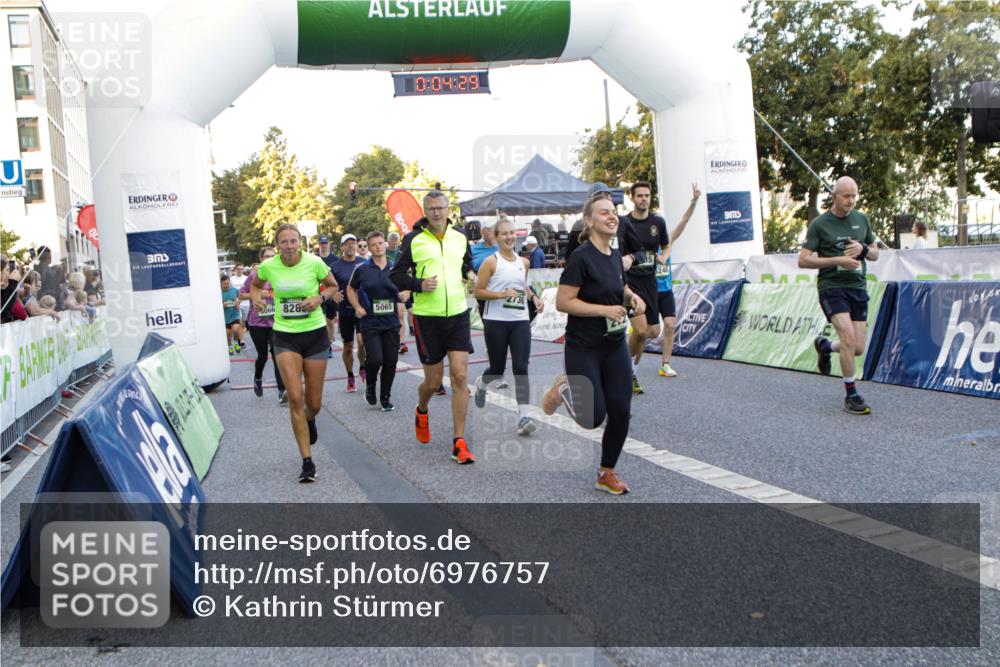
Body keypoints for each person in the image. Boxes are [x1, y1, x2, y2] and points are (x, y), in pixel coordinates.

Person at [541, 195, 646, 495]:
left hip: (613, 346)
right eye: (604, 213)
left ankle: (606, 472)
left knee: (622, 411)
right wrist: (603, 310)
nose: (613, 217)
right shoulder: (581, 257)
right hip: (583, 346)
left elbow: (619, 286)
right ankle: (563, 387)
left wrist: (631, 297)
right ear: (589, 221)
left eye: (614, 212)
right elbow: (563, 302)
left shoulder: (614, 254)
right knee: (593, 417)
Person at [390, 190, 478, 464]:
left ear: (447, 208)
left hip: (458, 314)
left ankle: (459, 442)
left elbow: (465, 264)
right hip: (428, 317)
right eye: (431, 209)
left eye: (441, 208)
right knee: (433, 381)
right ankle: (422, 409)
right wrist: (418, 284)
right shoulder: (413, 239)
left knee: (460, 376)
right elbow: (395, 275)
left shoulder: (460, 236)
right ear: (425, 211)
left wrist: (471, 275)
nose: (437, 213)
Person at [251, 223, 340, 483]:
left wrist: (319, 299)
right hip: (285, 336)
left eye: (293, 241)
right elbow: (256, 285)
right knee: (295, 398)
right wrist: (256, 298)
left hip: (314, 335)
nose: (289, 246)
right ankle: (307, 461)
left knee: (314, 403)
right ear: (277, 245)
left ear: (299, 242)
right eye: (284, 242)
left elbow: (332, 286)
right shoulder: (269, 266)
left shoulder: (314, 263)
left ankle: (310, 420)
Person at [799, 176, 879, 415]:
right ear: (834, 196)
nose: (851, 201)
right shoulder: (820, 224)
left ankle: (824, 347)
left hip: (857, 286)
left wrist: (864, 250)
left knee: (857, 347)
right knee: (847, 336)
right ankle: (851, 394)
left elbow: (875, 253)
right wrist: (838, 260)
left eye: (854, 196)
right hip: (831, 286)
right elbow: (803, 260)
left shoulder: (861, 219)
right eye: (846, 196)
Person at [473, 217, 544, 435]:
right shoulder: (490, 262)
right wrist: (501, 294)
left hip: (519, 320)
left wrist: (534, 298)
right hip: (496, 322)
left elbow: (522, 285)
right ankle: (482, 384)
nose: (509, 237)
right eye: (504, 233)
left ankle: (523, 416)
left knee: (521, 367)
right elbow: (478, 291)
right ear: (496, 237)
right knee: (497, 369)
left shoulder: (524, 262)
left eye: (512, 233)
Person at [632, 182, 702, 380]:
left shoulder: (668, 241)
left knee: (670, 324)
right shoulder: (645, 244)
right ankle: (633, 353)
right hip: (650, 290)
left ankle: (665, 364)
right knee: (650, 332)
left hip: (666, 290)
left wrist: (694, 201)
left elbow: (685, 220)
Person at [348, 231, 406, 412]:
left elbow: (407, 286)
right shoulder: (362, 269)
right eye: (373, 245)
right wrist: (357, 306)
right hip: (370, 322)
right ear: (369, 248)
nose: (377, 247)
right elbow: (350, 289)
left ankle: (385, 397)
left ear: (385, 245)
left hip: (391, 321)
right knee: (375, 359)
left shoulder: (395, 267)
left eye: (380, 243)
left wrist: (406, 294)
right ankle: (370, 386)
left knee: (391, 361)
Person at [240, 247, 286, 403]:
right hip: (257, 322)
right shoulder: (255, 274)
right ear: (261, 259)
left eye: (272, 256)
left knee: (276, 354)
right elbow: (242, 294)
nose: (269, 258)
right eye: (266, 256)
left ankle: (282, 391)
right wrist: (259, 295)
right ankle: (258, 377)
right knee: (263, 355)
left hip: (275, 321)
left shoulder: (280, 273)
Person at [329, 234, 367, 391]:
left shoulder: (364, 263)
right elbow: (325, 284)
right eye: (347, 244)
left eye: (353, 243)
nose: (351, 246)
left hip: (361, 309)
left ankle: (363, 367)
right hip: (344, 310)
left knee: (362, 341)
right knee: (348, 346)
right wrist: (331, 293)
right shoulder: (335, 266)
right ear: (342, 247)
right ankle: (350, 376)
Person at [315, 235, 339, 354]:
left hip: (331, 294)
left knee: (330, 320)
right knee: (321, 319)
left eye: (325, 243)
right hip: (317, 294)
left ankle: (329, 343)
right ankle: (322, 344)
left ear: (329, 244)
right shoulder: (314, 259)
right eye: (321, 244)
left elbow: (337, 277)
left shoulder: (335, 259)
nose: (323, 246)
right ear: (318, 245)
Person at [221, 274, 243, 355]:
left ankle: (237, 343)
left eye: (228, 283)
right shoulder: (218, 293)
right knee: (227, 334)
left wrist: (238, 302)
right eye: (225, 284)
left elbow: (240, 297)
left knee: (235, 329)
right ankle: (230, 347)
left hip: (235, 315)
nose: (227, 285)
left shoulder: (234, 290)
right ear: (221, 284)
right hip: (226, 317)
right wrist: (222, 305)